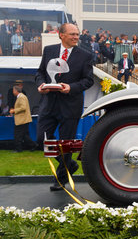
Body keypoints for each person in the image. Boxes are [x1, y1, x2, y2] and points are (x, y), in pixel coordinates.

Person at [36, 23, 94, 192]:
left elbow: (88, 80)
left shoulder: (85, 55)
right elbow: (40, 72)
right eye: (72, 34)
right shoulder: (48, 50)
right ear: (61, 35)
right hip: (49, 104)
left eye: (77, 34)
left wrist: (71, 88)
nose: (76, 37)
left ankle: (61, 180)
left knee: (65, 144)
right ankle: (69, 164)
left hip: (70, 106)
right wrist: (40, 85)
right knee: (42, 138)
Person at [10, 85, 37, 152]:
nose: (13, 92)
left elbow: (23, 108)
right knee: (24, 135)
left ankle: (18, 149)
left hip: (22, 119)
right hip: (24, 119)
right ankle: (33, 145)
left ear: (16, 91)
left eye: (13, 90)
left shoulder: (21, 97)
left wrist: (14, 110)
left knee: (18, 134)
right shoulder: (21, 96)